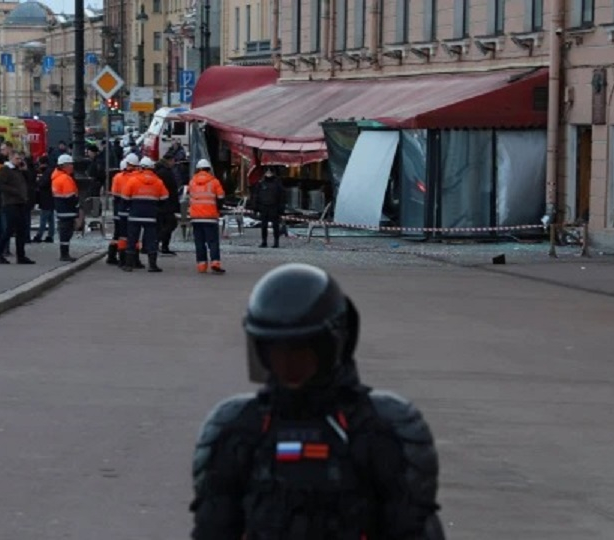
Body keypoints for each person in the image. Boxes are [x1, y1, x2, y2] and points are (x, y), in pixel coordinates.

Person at [190, 263, 444, 540]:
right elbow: (213, 528)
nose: (288, 363)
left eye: (299, 351)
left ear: (332, 346)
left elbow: (413, 529)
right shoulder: (236, 428)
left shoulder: (383, 428)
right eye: (277, 351)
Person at [122, 156, 168, 273]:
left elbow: (125, 197)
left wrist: (129, 206)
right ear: (152, 168)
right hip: (151, 216)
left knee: (132, 239)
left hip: (135, 214)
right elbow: (165, 197)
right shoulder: (158, 182)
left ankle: (128, 265)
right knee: (151, 240)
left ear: (140, 168)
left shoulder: (133, 180)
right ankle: (152, 265)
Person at [0, 151, 35, 265]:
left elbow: (29, 180)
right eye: (17, 159)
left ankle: (21, 256)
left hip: (21, 202)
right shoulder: (5, 170)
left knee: (21, 230)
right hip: (11, 203)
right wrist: (15, 191)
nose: (20, 161)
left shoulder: (18, 170)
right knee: (10, 229)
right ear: (11, 158)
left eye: (20, 159)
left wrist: (26, 171)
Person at [187, 159, 225, 274]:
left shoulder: (192, 182)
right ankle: (215, 262)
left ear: (198, 169)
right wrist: (218, 209)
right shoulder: (214, 182)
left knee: (199, 242)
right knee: (212, 241)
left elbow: (189, 196)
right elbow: (221, 197)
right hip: (210, 216)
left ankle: (201, 265)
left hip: (196, 217)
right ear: (209, 169)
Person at [51, 154, 79, 262]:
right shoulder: (65, 179)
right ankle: (64, 254)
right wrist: (77, 209)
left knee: (64, 233)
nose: (72, 167)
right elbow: (70, 196)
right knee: (66, 233)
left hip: (61, 209)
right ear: (64, 165)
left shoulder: (56, 177)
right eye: (70, 164)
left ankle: (64, 253)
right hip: (68, 210)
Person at [154, 151, 180, 256]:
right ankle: (158, 242)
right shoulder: (165, 172)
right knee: (170, 224)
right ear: (169, 161)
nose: (174, 163)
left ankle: (163, 245)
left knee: (165, 225)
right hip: (166, 203)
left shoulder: (161, 171)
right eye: (173, 161)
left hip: (163, 203)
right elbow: (171, 189)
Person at [251, 168, 285, 248]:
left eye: (270, 172)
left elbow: (282, 197)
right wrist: (255, 207)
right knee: (263, 226)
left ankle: (276, 242)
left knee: (275, 226)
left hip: (274, 206)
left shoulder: (277, 184)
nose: (268, 174)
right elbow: (256, 196)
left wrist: (281, 209)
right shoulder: (261, 184)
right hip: (264, 207)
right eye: (267, 172)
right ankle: (264, 241)